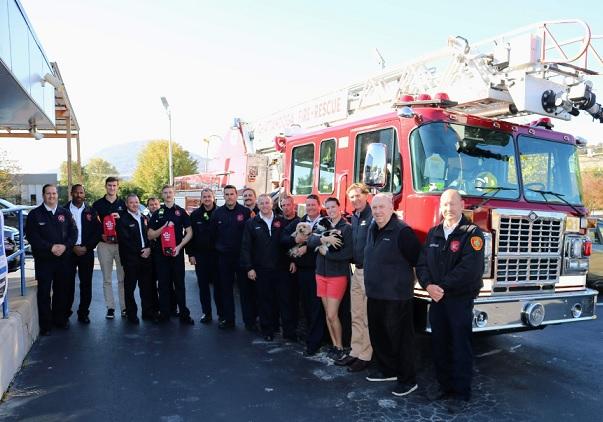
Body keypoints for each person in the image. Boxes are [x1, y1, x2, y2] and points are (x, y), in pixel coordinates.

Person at [416, 189, 484, 402]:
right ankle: (444, 386)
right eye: (444, 204)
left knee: (460, 345)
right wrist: (427, 285)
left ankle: (461, 391)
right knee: (439, 344)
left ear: (462, 205)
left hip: (459, 299)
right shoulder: (434, 232)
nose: (448, 209)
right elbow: (422, 263)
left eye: (452, 204)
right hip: (437, 299)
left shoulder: (472, 233)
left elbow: (470, 269)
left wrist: (440, 287)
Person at [363, 193, 422, 397]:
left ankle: (408, 380)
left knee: (401, 340)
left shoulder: (402, 231)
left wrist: (415, 283)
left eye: (381, 207)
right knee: (379, 336)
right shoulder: (372, 227)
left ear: (391, 208)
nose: (377, 211)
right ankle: (388, 370)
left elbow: (418, 260)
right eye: (374, 208)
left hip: (396, 297)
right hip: (375, 294)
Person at [240, 194, 295, 341]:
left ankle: (289, 333)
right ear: (258, 205)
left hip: (281, 268)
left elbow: (287, 243)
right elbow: (246, 247)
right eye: (262, 203)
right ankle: (268, 330)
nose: (265, 205)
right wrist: (249, 268)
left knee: (284, 300)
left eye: (267, 203)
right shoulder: (251, 223)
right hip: (261, 269)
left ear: (272, 205)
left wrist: (292, 260)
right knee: (265, 300)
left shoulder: (281, 221)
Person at [25, 184, 77, 335]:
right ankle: (46, 325)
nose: (52, 196)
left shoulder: (65, 213)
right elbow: (32, 237)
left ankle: (60, 320)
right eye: (48, 193)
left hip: (63, 259)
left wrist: (65, 246)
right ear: (43, 195)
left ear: (57, 195)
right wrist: (50, 247)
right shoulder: (35, 214)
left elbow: (73, 233)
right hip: (44, 260)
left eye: (54, 193)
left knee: (62, 291)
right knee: (44, 293)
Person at [307, 197, 353, 362]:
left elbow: (348, 254)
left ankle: (341, 347)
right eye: (328, 208)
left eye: (334, 207)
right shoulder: (323, 223)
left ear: (339, 208)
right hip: (321, 274)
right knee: (328, 314)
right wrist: (324, 239)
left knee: (333, 314)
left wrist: (328, 254)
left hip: (337, 276)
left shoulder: (346, 228)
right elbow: (311, 241)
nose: (331, 210)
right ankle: (335, 346)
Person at [336, 183, 373, 372]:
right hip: (356, 270)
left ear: (366, 195)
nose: (355, 199)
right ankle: (355, 351)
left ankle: (366, 356)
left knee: (366, 315)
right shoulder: (355, 217)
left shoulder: (373, 215)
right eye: (351, 197)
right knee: (356, 313)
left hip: (369, 271)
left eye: (358, 195)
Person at [281, 194, 324, 356]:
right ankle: (309, 336)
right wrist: (294, 244)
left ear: (319, 206)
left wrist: (307, 245)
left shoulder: (324, 222)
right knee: (305, 305)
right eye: (308, 205)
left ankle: (314, 343)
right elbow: (284, 239)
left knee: (316, 307)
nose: (311, 208)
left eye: (313, 205)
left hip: (318, 269)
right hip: (302, 271)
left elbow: (324, 241)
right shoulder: (299, 222)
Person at [148, 185, 194, 325]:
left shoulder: (181, 212)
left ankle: (184, 314)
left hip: (176, 254)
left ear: (174, 194)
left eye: (170, 192)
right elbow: (150, 235)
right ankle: (165, 314)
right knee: (163, 285)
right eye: (165, 193)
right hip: (161, 255)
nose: (168, 195)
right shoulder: (158, 213)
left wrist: (179, 247)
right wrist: (164, 227)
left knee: (179, 285)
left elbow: (190, 232)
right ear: (162, 195)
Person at [209, 185, 254, 330]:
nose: (229, 196)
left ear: (236, 195)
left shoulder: (245, 212)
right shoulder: (217, 214)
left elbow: (251, 236)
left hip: (241, 258)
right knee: (226, 290)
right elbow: (212, 236)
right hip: (224, 258)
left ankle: (249, 322)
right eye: (227, 194)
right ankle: (229, 320)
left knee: (245, 291)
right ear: (224, 196)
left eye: (232, 194)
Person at [116, 194, 156, 324]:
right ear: (127, 204)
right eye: (131, 202)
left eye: (137, 202)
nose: (135, 204)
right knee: (130, 288)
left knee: (146, 287)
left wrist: (149, 248)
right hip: (131, 259)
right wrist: (141, 252)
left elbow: (150, 236)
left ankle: (147, 313)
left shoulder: (144, 218)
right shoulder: (122, 220)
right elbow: (125, 241)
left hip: (146, 257)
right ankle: (131, 314)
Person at [65, 184, 101, 324]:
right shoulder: (63, 210)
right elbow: (60, 233)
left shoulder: (91, 211)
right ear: (71, 193)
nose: (79, 195)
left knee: (86, 284)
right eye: (76, 192)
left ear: (84, 194)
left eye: (81, 193)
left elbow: (97, 232)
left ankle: (84, 313)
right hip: (69, 252)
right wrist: (72, 246)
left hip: (86, 252)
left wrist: (87, 247)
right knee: (67, 284)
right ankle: (66, 314)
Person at [92, 177, 126, 319]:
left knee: (122, 278)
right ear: (105, 186)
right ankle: (110, 308)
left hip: (120, 244)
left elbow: (130, 223)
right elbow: (93, 225)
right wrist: (101, 236)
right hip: (104, 245)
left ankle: (124, 307)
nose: (112, 188)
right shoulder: (97, 204)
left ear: (118, 187)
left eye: (114, 185)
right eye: (109, 185)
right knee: (106, 278)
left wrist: (121, 218)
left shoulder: (124, 204)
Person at [188, 188, 220, 324]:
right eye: (204, 197)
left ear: (213, 197)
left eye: (209, 196)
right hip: (201, 256)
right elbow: (190, 236)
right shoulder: (195, 215)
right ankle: (206, 313)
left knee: (219, 287)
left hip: (218, 256)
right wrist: (191, 254)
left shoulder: (220, 213)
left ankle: (222, 314)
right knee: (203, 287)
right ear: (201, 199)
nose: (207, 199)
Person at [280, 195, 300, 334]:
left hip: (295, 265)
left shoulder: (300, 222)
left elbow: (302, 244)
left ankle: (294, 327)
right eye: (283, 205)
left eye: (288, 205)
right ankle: (287, 329)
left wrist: (294, 260)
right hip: (280, 265)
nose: (286, 208)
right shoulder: (278, 222)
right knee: (284, 298)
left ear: (294, 206)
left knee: (295, 299)